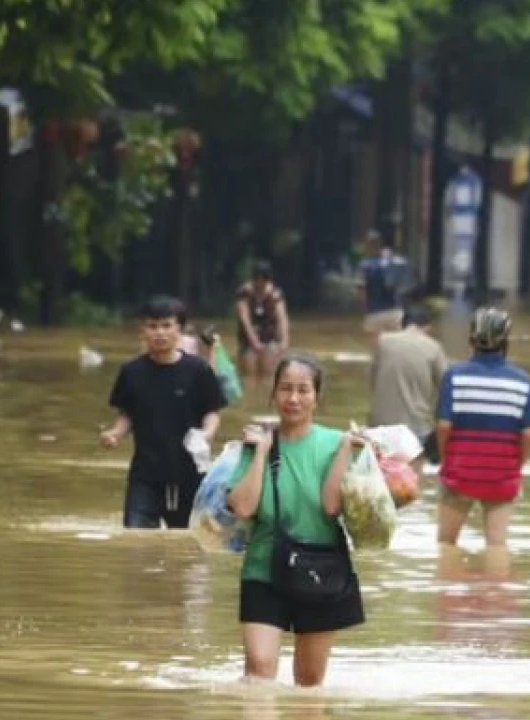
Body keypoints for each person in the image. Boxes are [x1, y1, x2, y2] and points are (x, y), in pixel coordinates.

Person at [226, 354, 365, 687]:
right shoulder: (255, 443)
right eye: (285, 389)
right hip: (264, 567)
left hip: (322, 570)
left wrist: (348, 450)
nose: (293, 399)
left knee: (309, 682)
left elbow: (331, 507)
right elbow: (243, 507)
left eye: (303, 390)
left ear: (317, 397)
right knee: (258, 670)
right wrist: (260, 452)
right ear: (273, 394)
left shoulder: (336, 444)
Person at [100, 295, 228, 528]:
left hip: (189, 474)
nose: (159, 333)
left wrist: (207, 434)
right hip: (145, 475)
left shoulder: (197, 371)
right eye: (153, 326)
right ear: (143, 331)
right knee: (136, 539)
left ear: (180, 329)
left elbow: (212, 412)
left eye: (166, 326)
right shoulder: (131, 372)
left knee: (187, 543)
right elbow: (128, 412)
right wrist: (116, 434)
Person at [434, 307, 530, 549]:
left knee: (446, 544)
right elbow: (529, 434)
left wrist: (445, 460)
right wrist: (517, 466)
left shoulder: (454, 376)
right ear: (506, 341)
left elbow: (443, 426)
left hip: (460, 471)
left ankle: (448, 583)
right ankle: (496, 584)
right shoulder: (523, 381)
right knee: (497, 545)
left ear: (471, 339)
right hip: (502, 475)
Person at [369, 305, 448, 470]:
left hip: (381, 426)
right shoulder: (433, 347)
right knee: (409, 484)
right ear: (427, 327)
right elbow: (447, 389)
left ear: (403, 325)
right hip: (416, 427)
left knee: (381, 480)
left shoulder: (383, 342)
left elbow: (373, 380)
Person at [236, 260, 289, 389]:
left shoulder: (275, 294)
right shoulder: (244, 293)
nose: (260, 283)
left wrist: (284, 340)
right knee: (249, 375)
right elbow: (245, 319)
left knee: (268, 376)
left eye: (263, 280)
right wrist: (254, 341)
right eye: (258, 279)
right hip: (248, 339)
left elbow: (282, 318)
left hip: (269, 337)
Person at [356, 230, 411, 341]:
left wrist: (363, 308)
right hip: (396, 311)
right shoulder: (396, 262)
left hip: (375, 311)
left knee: (376, 345)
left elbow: (361, 290)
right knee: (398, 343)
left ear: (368, 245)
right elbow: (406, 287)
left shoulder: (365, 265)